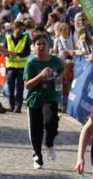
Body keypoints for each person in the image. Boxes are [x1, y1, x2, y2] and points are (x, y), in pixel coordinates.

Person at [23, 33, 64, 169]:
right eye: (38, 44)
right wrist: (40, 75)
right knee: (36, 130)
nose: (41, 46)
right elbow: (27, 85)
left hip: (50, 97)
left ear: (48, 46)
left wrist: (59, 78)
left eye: (44, 44)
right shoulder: (31, 63)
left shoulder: (55, 61)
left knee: (51, 122)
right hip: (35, 99)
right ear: (34, 47)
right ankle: (37, 157)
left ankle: (49, 143)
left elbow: (62, 70)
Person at [4, 19, 31, 114]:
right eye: (19, 29)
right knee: (10, 87)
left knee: (19, 88)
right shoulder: (7, 37)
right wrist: (9, 54)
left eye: (22, 29)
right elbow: (4, 51)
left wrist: (18, 54)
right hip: (10, 66)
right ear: (14, 28)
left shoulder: (25, 38)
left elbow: (27, 52)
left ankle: (18, 106)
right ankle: (11, 106)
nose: (20, 31)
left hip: (21, 67)